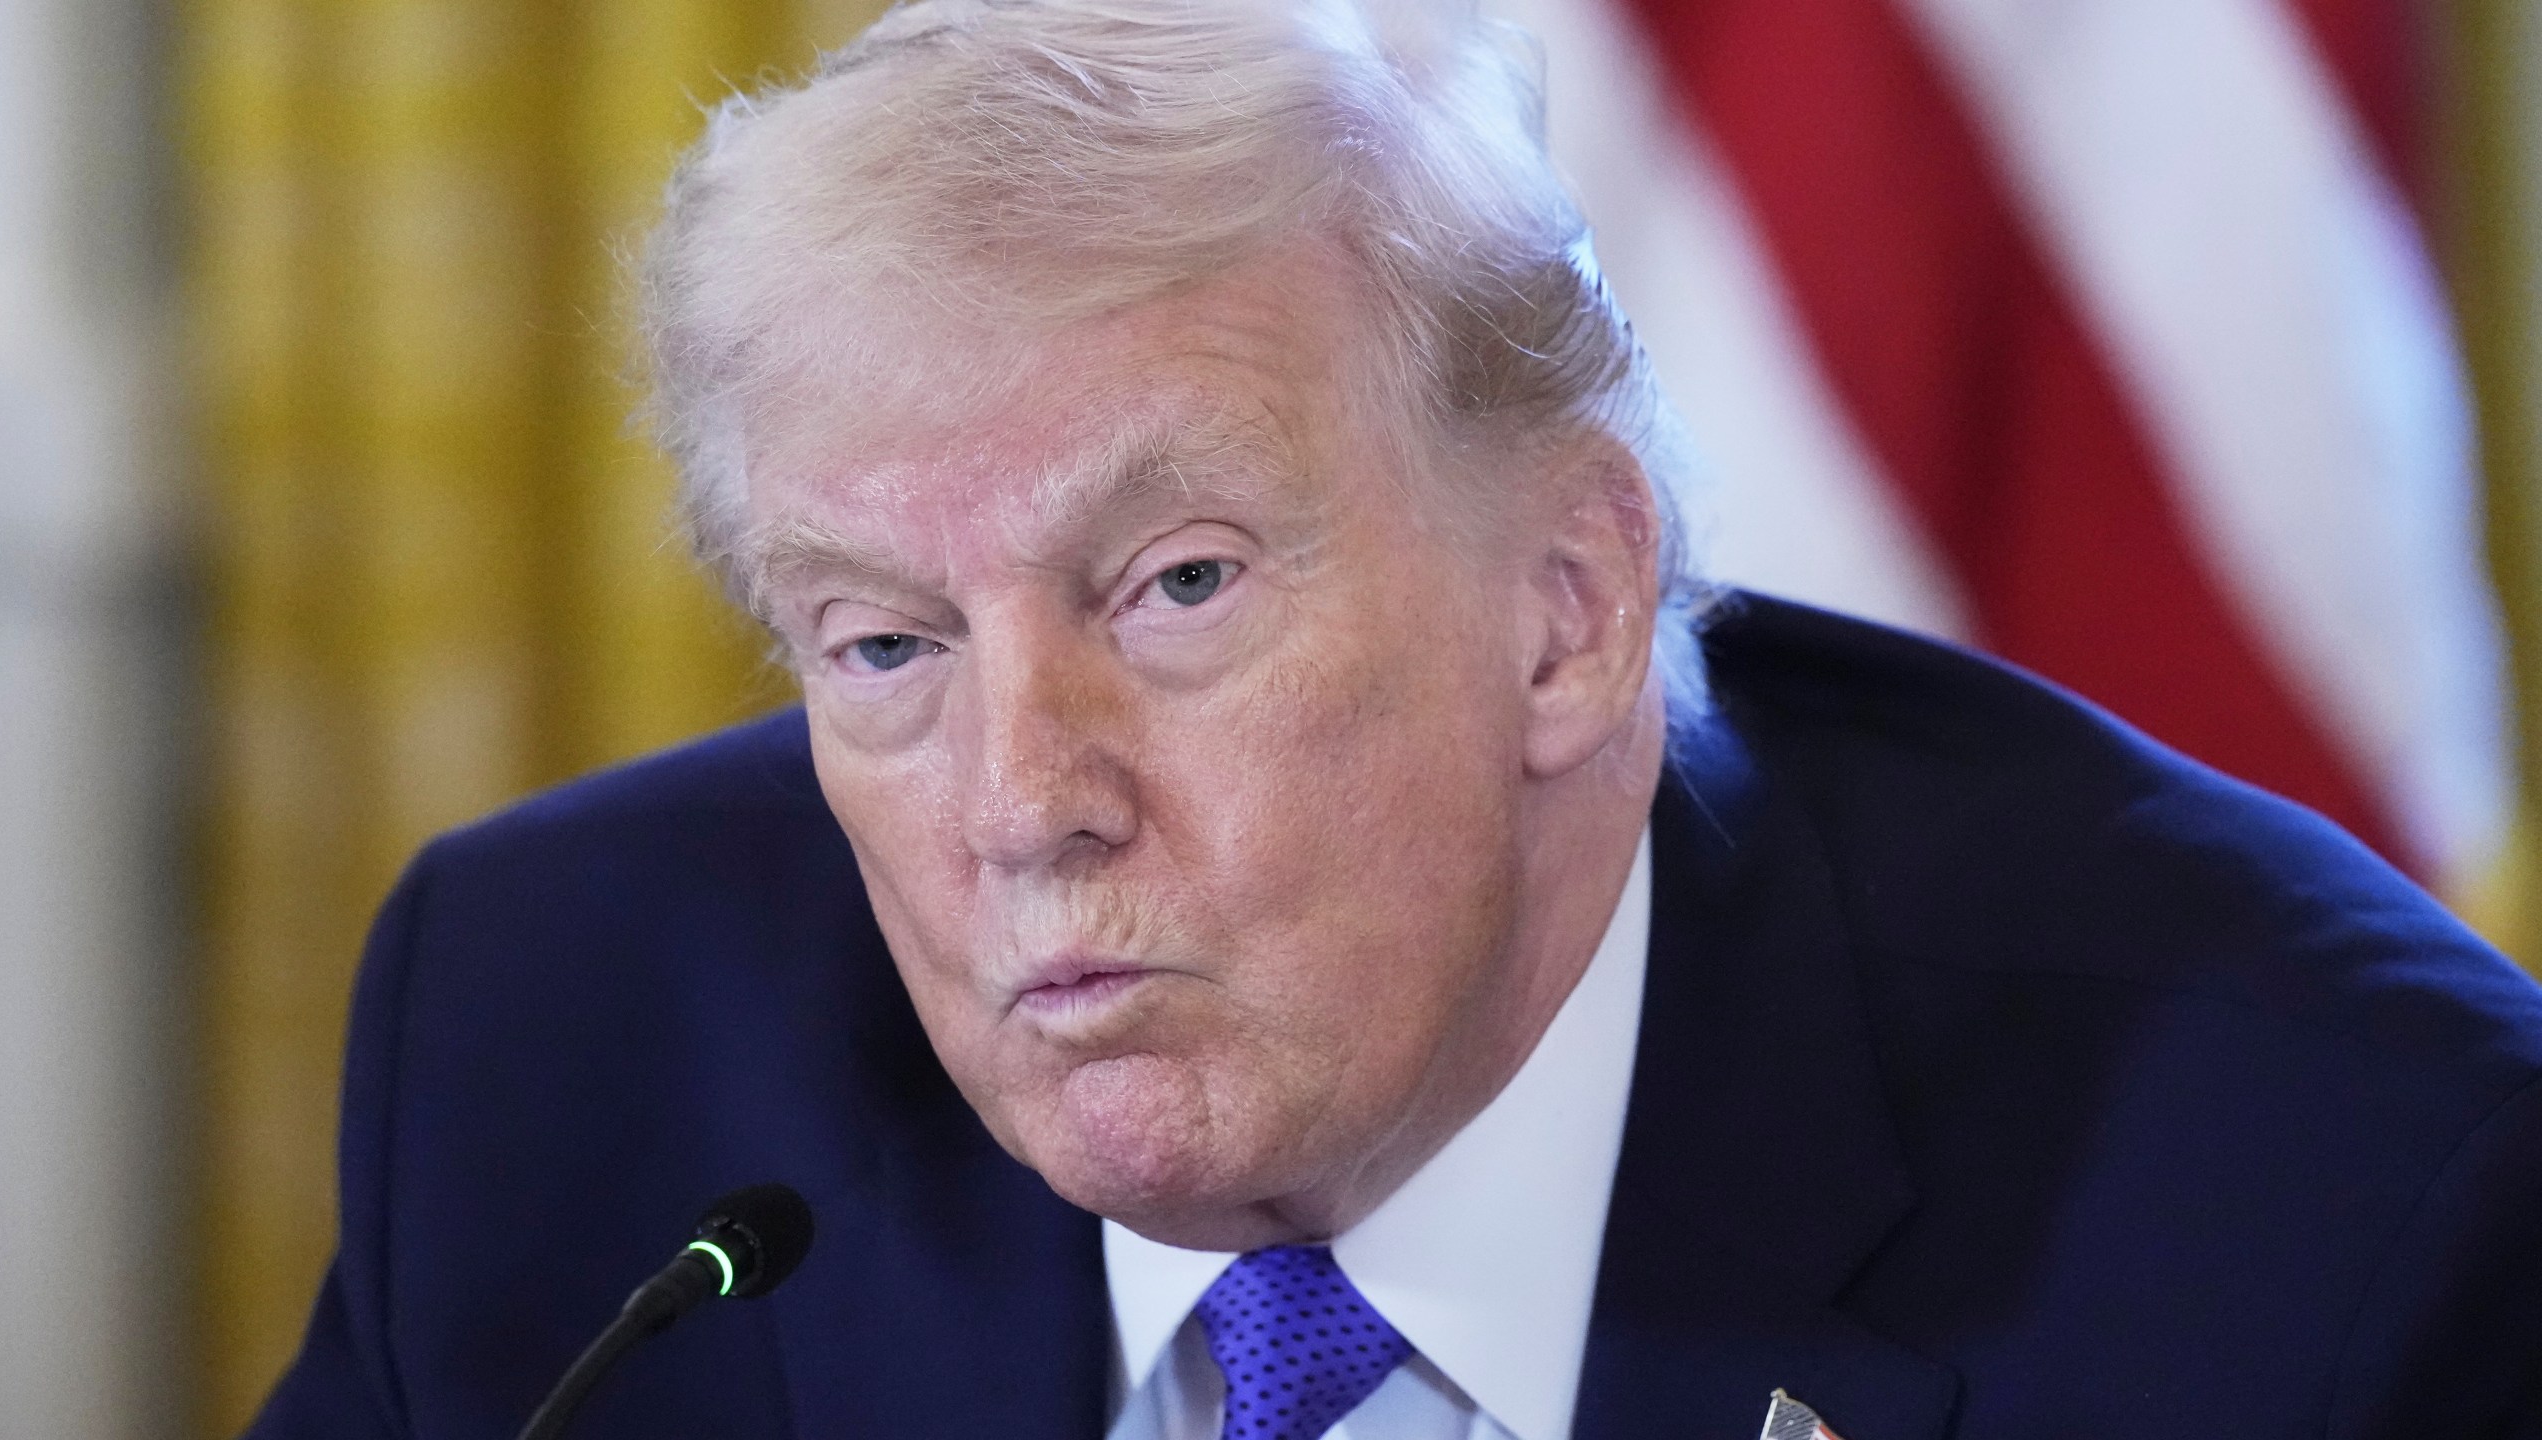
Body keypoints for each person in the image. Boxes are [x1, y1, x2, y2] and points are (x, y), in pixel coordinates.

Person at [246, 1, 2542, 1436]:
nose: (1023, 804)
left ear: (1564, 612)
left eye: (1174, 587)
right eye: (882, 647)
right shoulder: (555, 1052)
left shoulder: (2326, 1211)